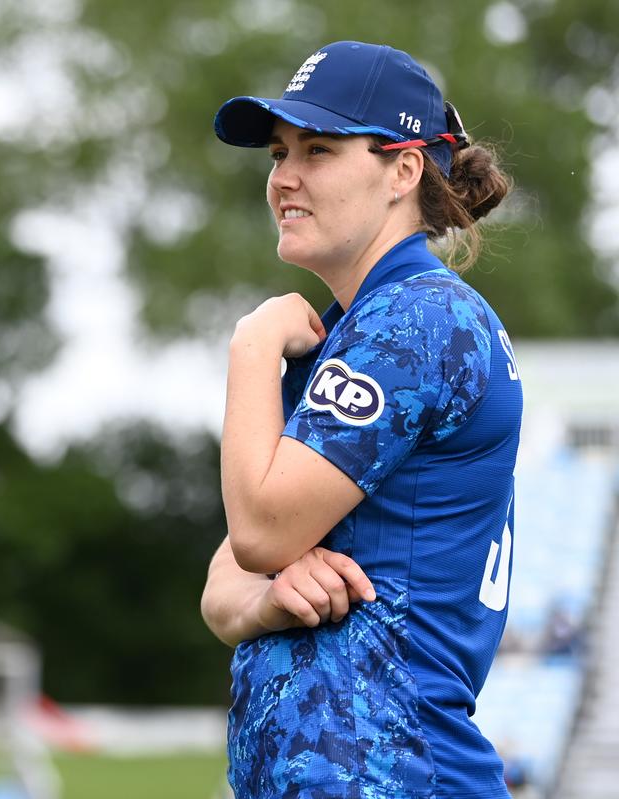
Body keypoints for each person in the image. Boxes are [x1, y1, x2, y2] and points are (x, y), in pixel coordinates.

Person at [199, 42, 520, 798]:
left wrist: (252, 347)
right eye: (279, 153)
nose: (284, 177)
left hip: (399, 776)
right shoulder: (358, 329)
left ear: (403, 172)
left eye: (318, 149)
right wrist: (269, 598)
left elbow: (259, 532)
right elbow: (223, 585)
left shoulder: (415, 320)